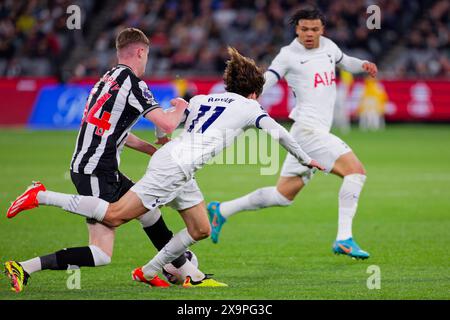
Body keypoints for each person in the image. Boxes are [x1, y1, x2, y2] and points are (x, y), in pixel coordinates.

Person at [6, 47, 324, 287]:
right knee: (116, 216)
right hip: (173, 169)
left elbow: (165, 127)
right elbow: (278, 131)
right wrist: (303, 158)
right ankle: (42, 196)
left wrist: (160, 139)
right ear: (254, 92)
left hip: (178, 164)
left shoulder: (203, 99)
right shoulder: (251, 106)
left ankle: (163, 272)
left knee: (200, 228)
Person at [3, 28, 201, 293]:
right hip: (96, 170)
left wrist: (152, 152)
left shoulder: (106, 79)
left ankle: (185, 271)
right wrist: (180, 108)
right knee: (101, 251)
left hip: (98, 167)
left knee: (149, 211)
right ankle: (41, 197)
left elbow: (116, 133)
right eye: (147, 55)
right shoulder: (133, 83)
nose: (146, 61)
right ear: (141, 51)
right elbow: (166, 124)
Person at [207, 8, 378, 260]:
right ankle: (344, 238)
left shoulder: (329, 47)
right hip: (309, 130)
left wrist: (361, 65)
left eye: (314, 29)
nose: (309, 34)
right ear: (296, 29)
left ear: (323, 30)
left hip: (305, 133)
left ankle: (221, 210)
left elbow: (345, 61)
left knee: (282, 195)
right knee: (356, 172)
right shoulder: (288, 55)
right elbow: (269, 79)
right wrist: (251, 93)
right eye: (304, 29)